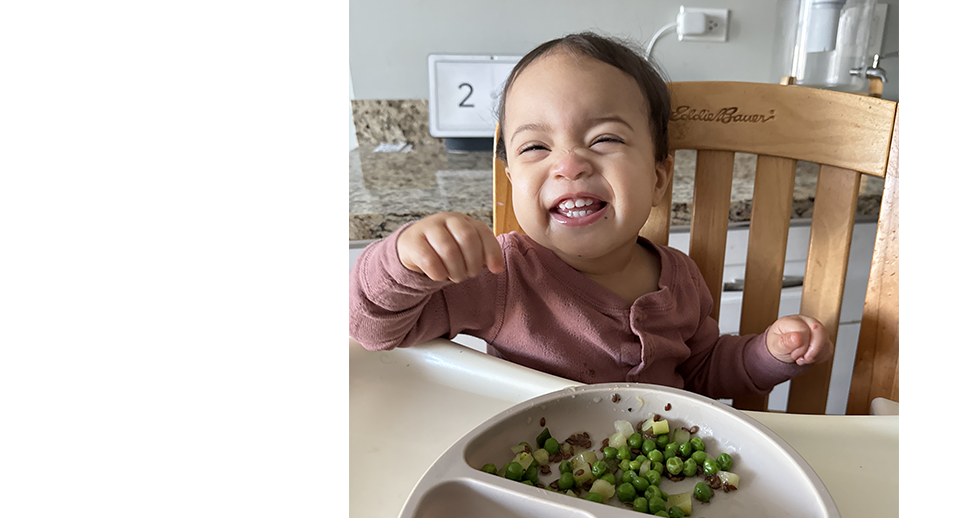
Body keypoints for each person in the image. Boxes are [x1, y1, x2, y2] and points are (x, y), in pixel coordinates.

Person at [348, 31, 833, 400]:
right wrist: (404, 260)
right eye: (536, 147)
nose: (569, 164)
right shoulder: (500, 274)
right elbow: (373, 329)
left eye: (604, 139)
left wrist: (766, 355)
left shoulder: (681, 279)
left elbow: (702, 372)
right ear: (513, 182)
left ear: (658, 178)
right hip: (530, 480)